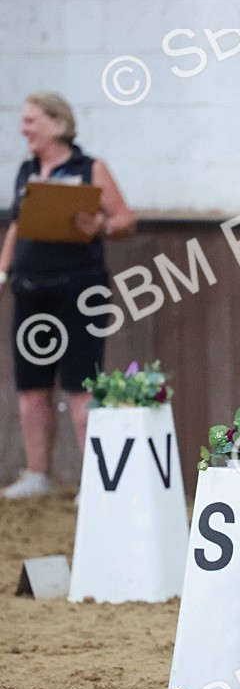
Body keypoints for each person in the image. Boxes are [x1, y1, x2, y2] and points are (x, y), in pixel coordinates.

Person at [0, 91, 136, 498]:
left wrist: (101, 226)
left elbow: (124, 219)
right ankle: (37, 475)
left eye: (31, 121)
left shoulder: (91, 168)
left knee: (82, 388)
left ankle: (94, 483)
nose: (23, 129)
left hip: (80, 293)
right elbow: (16, 225)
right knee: (31, 389)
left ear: (57, 123)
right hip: (30, 291)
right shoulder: (26, 170)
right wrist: (3, 271)